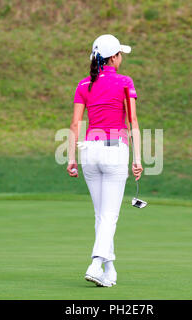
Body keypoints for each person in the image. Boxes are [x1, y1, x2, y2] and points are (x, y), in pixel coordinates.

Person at [67, 34, 143, 287]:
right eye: (120, 54)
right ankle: (95, 264)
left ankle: (109, 270)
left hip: (88, 151)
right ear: (113, 57)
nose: (121, 59)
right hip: (114, 151)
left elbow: (75, 123)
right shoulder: (125, 81)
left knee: (102, 215)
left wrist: (71, 158)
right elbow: (132, 121)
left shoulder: (83, 84)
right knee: (110, 215)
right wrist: (138, 158)